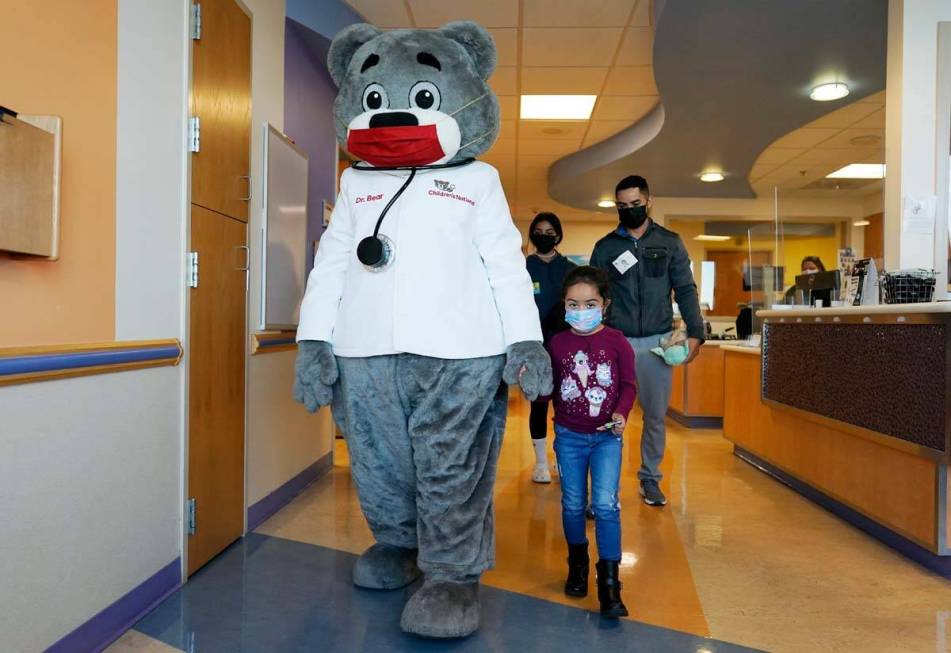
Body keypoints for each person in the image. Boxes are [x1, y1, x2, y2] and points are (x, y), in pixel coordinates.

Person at [589, 175, 704, 507]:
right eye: (622, 207)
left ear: (649, 202)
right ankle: (604, 487)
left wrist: (696, 332)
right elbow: (595, 294)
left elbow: (685, 289)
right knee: (609, 417)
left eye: (635, 205)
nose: (629, 211)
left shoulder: (670, 243)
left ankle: (650, 478)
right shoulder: (606, 247)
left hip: (657, 343)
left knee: (655, 415)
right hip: (616, 342)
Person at [543, 266, 635, 618]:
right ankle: (577, 566)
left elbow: (628, 386)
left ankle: (610, 585)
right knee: (572, 505)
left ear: (605, 305)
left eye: (590, 303)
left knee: (607, 505)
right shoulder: (558, 344)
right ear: (564, 305)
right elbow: (547, 391)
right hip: (568, 437)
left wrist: (622, 413)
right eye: (573, 303)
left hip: (606, 439)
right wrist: (532, 385)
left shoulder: (617, 341)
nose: (581, 310)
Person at [525, 212, 576, 483]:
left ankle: (562, 458)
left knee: (565, 405)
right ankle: (541, 462)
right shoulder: (524, 267)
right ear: (532, 234)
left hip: (566, 345)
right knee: (539, 404)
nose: (544, 236)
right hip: (535, 346)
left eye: (549, 232)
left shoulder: (568, 268)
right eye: (539, 231)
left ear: (558, 235)